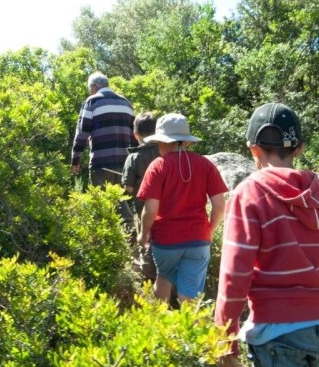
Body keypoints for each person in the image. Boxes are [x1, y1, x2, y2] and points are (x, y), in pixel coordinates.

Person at [214, 102, 319, 367]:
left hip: (277, 333)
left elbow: (235, 274)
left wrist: (222, 340)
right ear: (299, 149)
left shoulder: (250, 193)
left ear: (252, 148)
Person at [136, 113, 228, 303]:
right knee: (190, 294)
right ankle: (190, 329)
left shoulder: (157, 167)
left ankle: (160, 326)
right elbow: (220, 206)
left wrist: (144, 233)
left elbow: (151, 210)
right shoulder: (205, 165)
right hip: (199, 240)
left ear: (161, 142)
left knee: (164, 277)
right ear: (186, 142)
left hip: (166, 240)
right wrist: (208, 232)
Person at [71, 71, 137, 186]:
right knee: (120, 200)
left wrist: (75, 160)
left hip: (101, 164)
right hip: (124, 164)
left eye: (89, 89)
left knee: (102, 202)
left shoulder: (92, 102)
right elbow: (135, 136)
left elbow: (82, 134)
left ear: (93, 86)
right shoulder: (126, 103)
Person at [121, 111, 160, 281]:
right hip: (167, 209)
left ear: (136, 134)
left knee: (146, 243)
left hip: (143, 209)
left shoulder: (134, 157)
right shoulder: (165, 151)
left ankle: (149, 280)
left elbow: (128, 188)